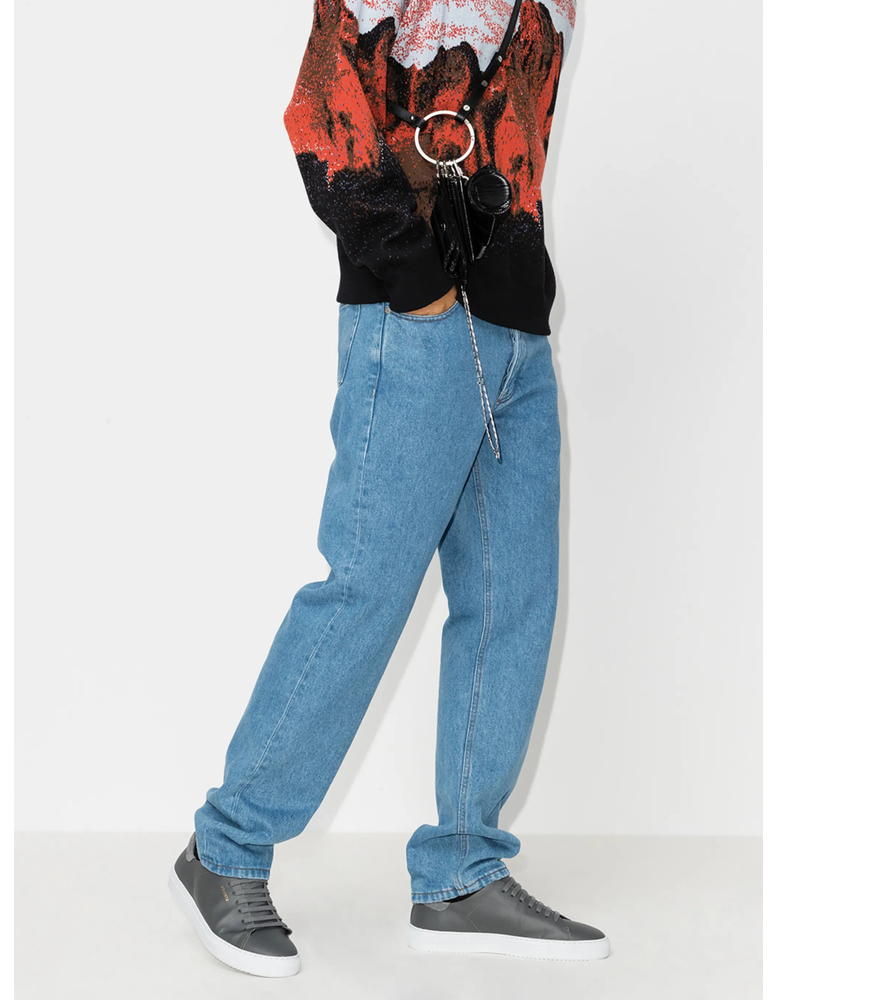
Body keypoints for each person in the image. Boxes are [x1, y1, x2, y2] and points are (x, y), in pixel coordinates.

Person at [168, 0, 608, 977]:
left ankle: (461, 870)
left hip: (518, 330)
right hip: (416, 323)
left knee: (513, 600)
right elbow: (317, 113)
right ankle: (225, 848)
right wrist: (417, 284)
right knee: (366, 588)